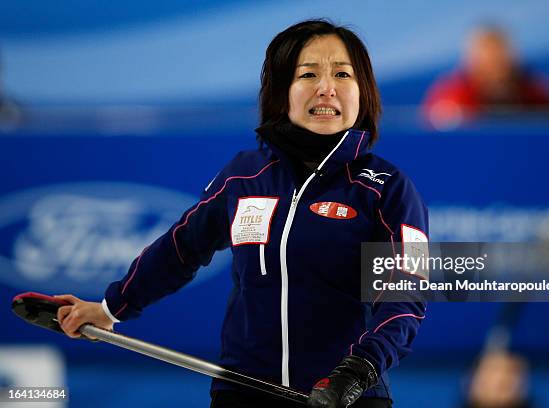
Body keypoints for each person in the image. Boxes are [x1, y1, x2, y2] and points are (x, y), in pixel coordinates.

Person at [55, 19, 428, 408]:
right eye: (308, 74)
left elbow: (407, 298)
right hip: (242, 391)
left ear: (362, 91)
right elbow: (180, 249)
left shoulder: (389, 187)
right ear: (282, 90)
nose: (326, 87)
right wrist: (110, 308)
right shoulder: (243, 175)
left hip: (347, 398)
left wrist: (356, 373)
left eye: (342, 73)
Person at [422, 25, 549, 129]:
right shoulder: (452, 97)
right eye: (486, 59)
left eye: (499, 58)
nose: (495, 66)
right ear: (471, 61)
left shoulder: (538, 93)